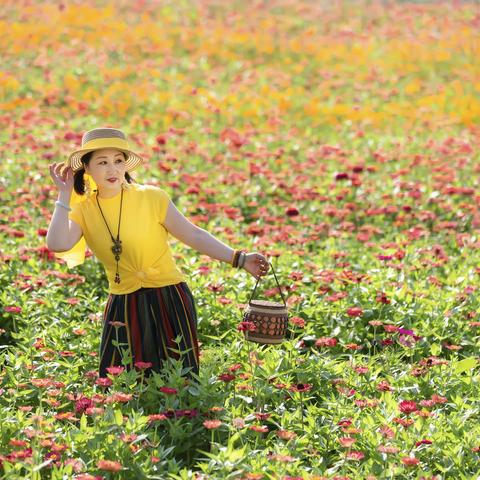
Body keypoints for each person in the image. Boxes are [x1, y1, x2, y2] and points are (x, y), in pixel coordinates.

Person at [46, 127, 270, 380]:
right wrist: (64, 194)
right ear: (86, 168)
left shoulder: (151, 197)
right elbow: (57, 243)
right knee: (120, 381)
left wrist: (239, 258)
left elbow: (193, 234)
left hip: (169, 296)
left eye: (118, 161)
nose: (113, 169)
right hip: (123, 303)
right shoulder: (84, 209)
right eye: (103, 162)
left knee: (178, 380)